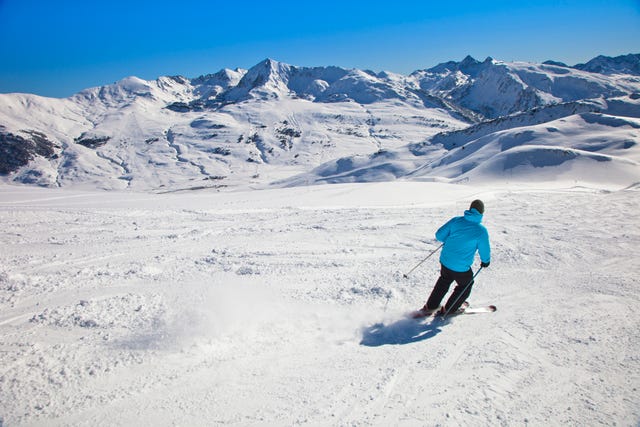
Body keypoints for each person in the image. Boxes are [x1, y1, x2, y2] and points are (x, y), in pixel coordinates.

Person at [420, 199, 491, 316]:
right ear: (481, 213)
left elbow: (439, 235)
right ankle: (450, 308)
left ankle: (431, 306)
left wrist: (449, 240)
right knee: (465, 285)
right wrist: (485, 261)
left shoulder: (456, 221)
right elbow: (484, 249)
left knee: (444, 281)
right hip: (461, 267)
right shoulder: (481, 231)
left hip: (445, 260)